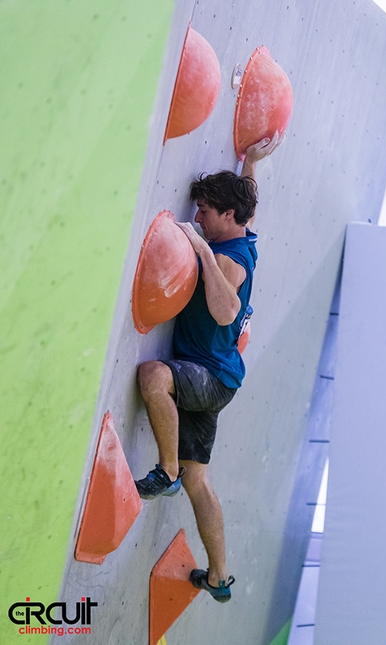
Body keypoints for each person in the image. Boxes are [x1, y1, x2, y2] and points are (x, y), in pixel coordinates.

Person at [134, 134, 282, 603]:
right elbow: (247, 206)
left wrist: (200, 250)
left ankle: (166, 470)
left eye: (204, 211)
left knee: (153, 377)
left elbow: (224, 311)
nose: (196, 216)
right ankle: (219, 578)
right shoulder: (244, 231)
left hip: (211, 376)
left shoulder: (229, 258)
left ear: (225, 218)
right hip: (219, 375)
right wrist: (250, 164)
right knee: (202, 482)